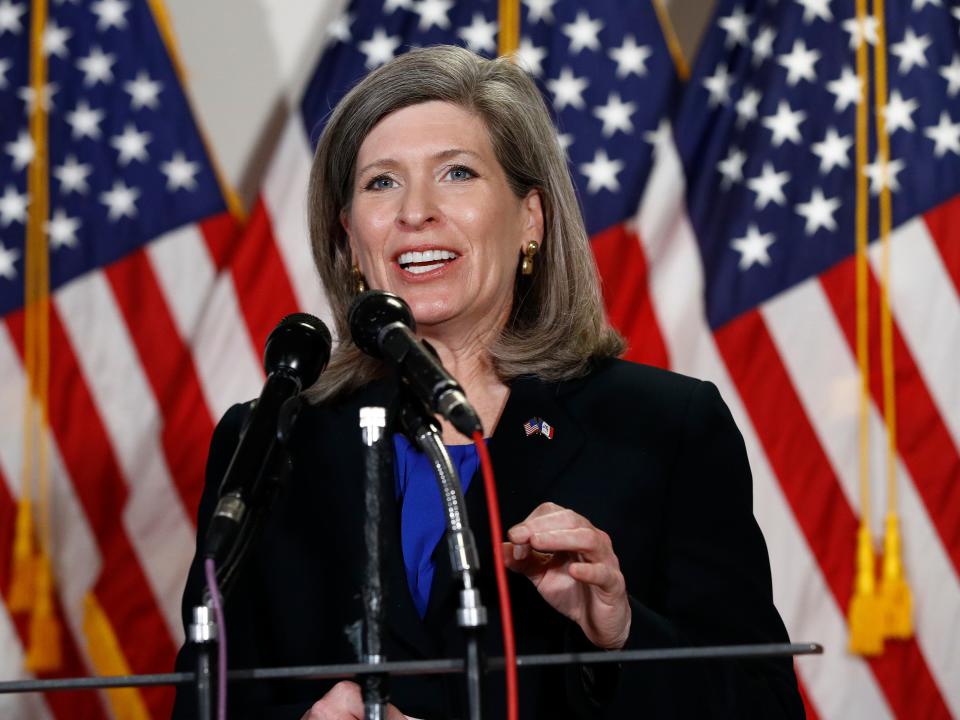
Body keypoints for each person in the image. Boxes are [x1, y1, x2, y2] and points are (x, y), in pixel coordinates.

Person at [173, 45, 804, 719]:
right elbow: (206, 696)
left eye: (457, 173)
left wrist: (621, 633)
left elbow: (760, 704)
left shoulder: (661, 427)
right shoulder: (271, 438)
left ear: (529, 219)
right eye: (381, 183)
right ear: (349, 238)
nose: (416, 211)